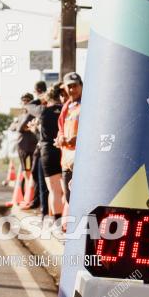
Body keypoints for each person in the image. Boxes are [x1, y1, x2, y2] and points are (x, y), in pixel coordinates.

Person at [30, 85, 64, 222]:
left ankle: (56, 221)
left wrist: (41, 98)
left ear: (47, 97)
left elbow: (29, 105)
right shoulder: (67, 109)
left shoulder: (43, 111)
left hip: (48, 151)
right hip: (65, 150)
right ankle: (66, 221)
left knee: (54, 190)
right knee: (65, 190)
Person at [55, 72, 82, 204]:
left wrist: (79, 139)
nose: (72, 90)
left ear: (81, 86)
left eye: (75, 86)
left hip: (82, 162)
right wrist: (60, 138)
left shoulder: (88, 104)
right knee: (69, 198)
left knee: (81, 200)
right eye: (69, 87)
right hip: (66, 161)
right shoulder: (66, 106)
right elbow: (60, 128)